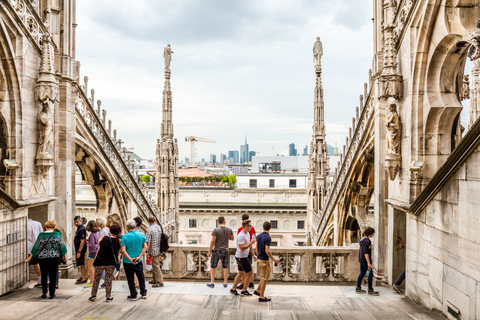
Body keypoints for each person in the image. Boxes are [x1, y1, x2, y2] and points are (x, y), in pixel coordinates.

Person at [25, 220, 67, 299]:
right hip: (54, 258)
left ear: (46, 226)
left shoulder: (41, 235)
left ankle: (44, 293)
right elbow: (62, 246)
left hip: (43, 259)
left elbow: (35, 248)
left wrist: (29, 258)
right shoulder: (57, 234)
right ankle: (52, 294)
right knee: (53, 275)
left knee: (44, 275)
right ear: (54, 226)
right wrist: (64, 256)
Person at [89, 223, 122, 302]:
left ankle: (93, 295)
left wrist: (96, 257)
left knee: (96, 278)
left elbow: (98, 249)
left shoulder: (103, 237)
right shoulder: (119, 241)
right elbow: (120, 251)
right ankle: (108, 296)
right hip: (110, 262)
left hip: (99, 261)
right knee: (108, 279)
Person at [121, 219, 148, 301]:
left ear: (127, 227)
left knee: (130, 278)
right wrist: (139, 257)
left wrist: (130, 259)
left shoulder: (125, 236)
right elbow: (145, 247)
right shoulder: (141, 235)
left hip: (127, 261)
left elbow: (123, 250)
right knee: (141, 276)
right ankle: (143, 293)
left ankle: (133, 295)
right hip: (138, 260)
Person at [254, 221, 279, 302]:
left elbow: (256, 247)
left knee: (265, 276)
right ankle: (261, 296)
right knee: (265, 278)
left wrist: (258, 255)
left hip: (259, 258)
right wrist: (274, 259)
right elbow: (267, 251)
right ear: (270, 228)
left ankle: (258, 290)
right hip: (264, 260)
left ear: (263, 227)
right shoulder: (268, 238)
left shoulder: (258, 236)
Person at [207, 216, 234, 288]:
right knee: (225, 267)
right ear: (224, 221)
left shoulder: (216, 230)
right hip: (225, 250)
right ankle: (225, 283)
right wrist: (226, 237)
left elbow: (213, 241)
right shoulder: (229, 229)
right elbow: (232, 238)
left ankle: (212, 282)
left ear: (218, 222)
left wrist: (209, 251)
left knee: (213, 266)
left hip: (216, 250)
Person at [230, 220, 256, 296]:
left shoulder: (247, 233)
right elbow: (241, 248)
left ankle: (233, 289)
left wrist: (253, 254)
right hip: (241, 257)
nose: (251, 227)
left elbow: (249, 245)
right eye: (250, 226)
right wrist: (251, 242)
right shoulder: (241, 235)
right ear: (246, 226)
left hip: (242, 256)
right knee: (250, 273)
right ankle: (244, 290)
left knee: (240, 273)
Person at [356, 227, 379, 295]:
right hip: (365, 261)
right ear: (370, 234)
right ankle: (370, 289)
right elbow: (366, 253)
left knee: (362, 273)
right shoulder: (367, 241)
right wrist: (369, 263)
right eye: (373, 233)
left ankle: (358, 287)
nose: (373, 234)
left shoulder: (363, 239)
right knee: (370, 274)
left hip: (361, 259)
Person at [237, 213, 256, 290]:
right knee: (250, 266)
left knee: (243, 269)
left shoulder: (240, 229)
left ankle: (243, 283)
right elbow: (254, 238)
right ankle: (251, 283)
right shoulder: (252, 228)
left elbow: (239, 241)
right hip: (249, 249)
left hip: (244, 250)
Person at [146, 216, 165, 287]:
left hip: (152, 250)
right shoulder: (158, 227)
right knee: (154, 266)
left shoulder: (149, 229)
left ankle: (160, 282)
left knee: (156, 266)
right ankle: (154, 280)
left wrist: (147, 251)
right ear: (155, 220)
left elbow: (148, 241)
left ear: (148, 221)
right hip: (158, 249)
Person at [27, 218, 43, 288]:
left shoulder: (25, 224)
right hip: (36, 247)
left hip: (28, 247)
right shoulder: (38, 223)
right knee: (36, 264)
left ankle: (27, 280)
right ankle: (40, 280)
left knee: (26, 265)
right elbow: (41, 235)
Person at [85, 220, 100, 288]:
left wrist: (88, 242)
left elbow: (92, 245)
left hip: (92, 252)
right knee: (94, 267)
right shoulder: (97, 233)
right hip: (96, 251)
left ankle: (92, 281)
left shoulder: (92, 235)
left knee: (89, 266)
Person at [96, 217, 110, 288]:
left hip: (103, 251)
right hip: (109, 250)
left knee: (101, 267)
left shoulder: (101, 232)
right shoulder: (108, 229)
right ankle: (107, 280)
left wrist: (97, 253)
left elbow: (99, 243)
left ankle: (106, 280)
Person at [74, 216, 88, 284]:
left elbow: (82, 241)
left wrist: (79, 251)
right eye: (75, 222)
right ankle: (83, 276)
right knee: (80, 264)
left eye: (77, 222)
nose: (76, 223)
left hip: (81, 249)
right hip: (78, 248)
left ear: (80, 221)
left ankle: (84, 278)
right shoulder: (79, 228)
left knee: (82, 264)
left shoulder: (82, 229)